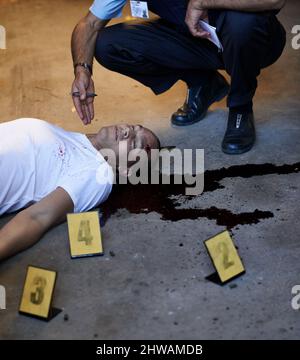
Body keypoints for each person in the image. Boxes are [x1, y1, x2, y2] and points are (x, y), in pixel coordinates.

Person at [71, 0, 286, 155]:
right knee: (107, 44)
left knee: (242, 25)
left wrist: (202, 2)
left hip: (253, 39)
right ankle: (204, 82)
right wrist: (82, 70)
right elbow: (89, 24)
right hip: (199, 38)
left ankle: (241, 107)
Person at [0, 118, 160, 261]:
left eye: (134, 144)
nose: (127, 132)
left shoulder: (97, 176)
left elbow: (37, 218)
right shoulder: (79, 140)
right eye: (133, 127)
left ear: (126, 169)